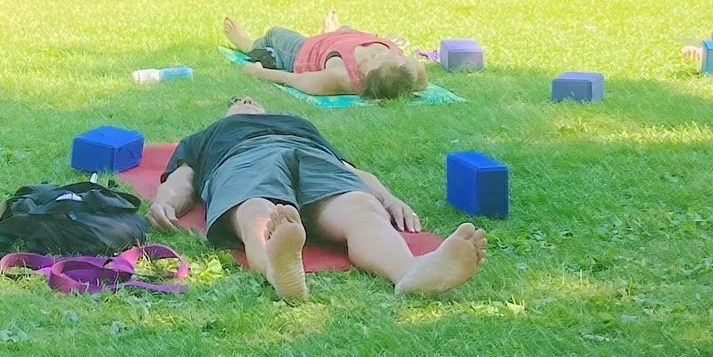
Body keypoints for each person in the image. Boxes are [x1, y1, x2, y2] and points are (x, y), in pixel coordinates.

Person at [147, 98, 485, 302]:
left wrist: (385, 196)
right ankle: (279, 270)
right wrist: (164, 203)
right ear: (226, 114)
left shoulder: (298, 123)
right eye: (238, 101)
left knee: (362, 208)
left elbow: (348, 168)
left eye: (252, 100)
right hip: (243, 159)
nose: (247, 100)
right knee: (256, 212)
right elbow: (182, 179)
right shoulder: (207, 136)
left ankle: (410, 271)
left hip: (310, 156)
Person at [221, 14, 429, 101]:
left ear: (364, 70)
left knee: (276, 33)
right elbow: (414, 78)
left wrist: (259, 72)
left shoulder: (339, 75)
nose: (379, 49)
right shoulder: (410, 71)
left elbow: (295, 80)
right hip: (343, 40)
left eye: (375, 55)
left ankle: (248, 44)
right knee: (347, 29)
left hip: (305, 51)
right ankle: (330, 33)